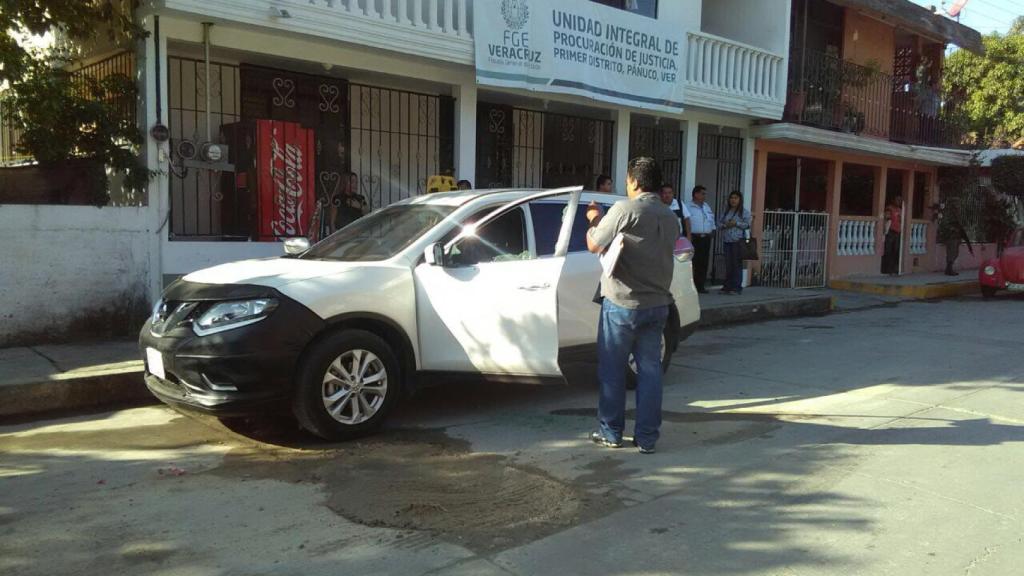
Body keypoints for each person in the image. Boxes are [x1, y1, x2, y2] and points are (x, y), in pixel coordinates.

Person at [585, 157, 679, 455]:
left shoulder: (625, 209)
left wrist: (592, 220)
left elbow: (595, 244)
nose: (626, 186)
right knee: (650, 371)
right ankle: (647, 438)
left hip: (622, 304)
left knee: (613, 370)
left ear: (635, 182)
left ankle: (611, 432)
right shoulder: (670, 216)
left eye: (627, 181)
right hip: (658, 305)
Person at [717, 191, 751, 295]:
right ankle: (727, 286)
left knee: (736, 264)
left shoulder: (744, 212)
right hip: (727, 241)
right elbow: (719, 224)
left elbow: (747, 225)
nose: (733, 200)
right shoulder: (726, 212)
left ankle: (736, 287)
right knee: (728, 265)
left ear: (740, 200)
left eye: (736, 198)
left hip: (738, 241)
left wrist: (736, 223)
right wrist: (725, 225)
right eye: (731, 198)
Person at [685, 185, 715, 293]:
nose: (704, 196)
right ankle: (691, 287)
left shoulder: (706, 206)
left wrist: (712, 230)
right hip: (694, 238)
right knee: (692, 262)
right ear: (696, 194)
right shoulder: (688, 206)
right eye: (702, 193)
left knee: (703, 262)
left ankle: (700, 286)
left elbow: (711, 220)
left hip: (705, 238)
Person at [937, 198, 973, 276]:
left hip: (956, 237)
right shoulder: (948, 213)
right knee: (951, 253)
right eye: (956, 204)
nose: (958, 206)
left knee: (955, 253)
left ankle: (949, 269)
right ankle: (949, 269)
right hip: (951, 237)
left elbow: (960, 224)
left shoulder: (957, 214)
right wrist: (953, 229)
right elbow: (944, 224)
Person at [881, 196, 902, 276]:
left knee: (896, 251)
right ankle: (887, 269)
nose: (898, 202)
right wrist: (885, 230)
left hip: (898, 232)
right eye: (897, 200)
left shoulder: (900, 210)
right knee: (888, 250)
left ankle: (894, 269)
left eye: (900, 200)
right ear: (893, 200)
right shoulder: (889, 208)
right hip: (890, 232)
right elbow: (887, 218)